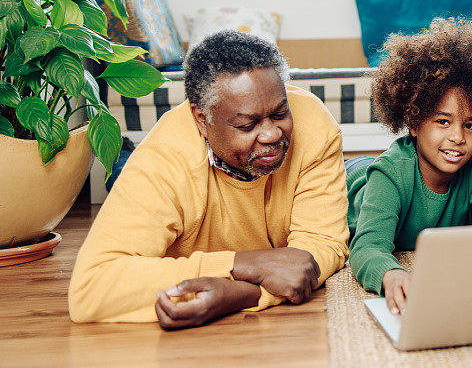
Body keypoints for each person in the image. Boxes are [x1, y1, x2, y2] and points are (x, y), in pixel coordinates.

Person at [68, 31, 349, 328]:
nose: (271, 134)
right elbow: (90, 287)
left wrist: (241, 294)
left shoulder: (314, 125)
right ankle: (125, 156)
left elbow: (318, 248)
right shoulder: (164, 159)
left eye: (280, 114)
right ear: (202, 119)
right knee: (127, 175)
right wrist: (241, 264)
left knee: (362, 175)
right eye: (247, 124)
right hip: (170, 172)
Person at [346, 19, 472, 315]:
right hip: (358, 179)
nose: (457, 137)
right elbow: (367, 248)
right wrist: (391, 274)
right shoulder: (390, 173)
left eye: (470, 125)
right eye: (443, 121)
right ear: (413, 123)